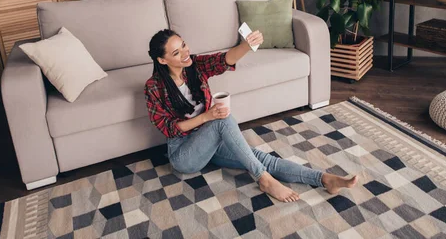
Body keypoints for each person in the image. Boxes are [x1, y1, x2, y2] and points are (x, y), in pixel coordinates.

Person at [145, 29, 358, 203]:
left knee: (260, 158)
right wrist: (207, 117)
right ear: (162, 60)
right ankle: (263, 179)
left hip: (209, 143)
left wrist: (247, 45)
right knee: (224, 120)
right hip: (184, 154)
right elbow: (169, 128)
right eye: (176, 53)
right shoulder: (153, 87)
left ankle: (324, 180)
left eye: (183, 45)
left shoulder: (195, 66)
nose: (184, 52)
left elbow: (223, 60)